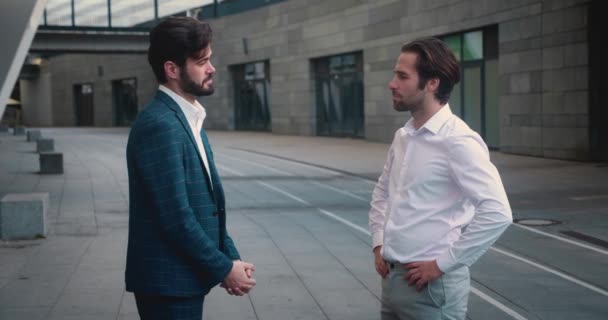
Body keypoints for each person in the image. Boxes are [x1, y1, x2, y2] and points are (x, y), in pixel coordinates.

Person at [368, 37, 512, 320]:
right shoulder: (403, 136)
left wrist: (443, 265)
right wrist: (378, 243)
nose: (392, 84)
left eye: (402, 76)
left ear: (431, 83)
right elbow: (382, 194)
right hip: (392, 280)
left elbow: (498, 212)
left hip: (432, 290)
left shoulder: (458, 141)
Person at [125, 17, 256, 320]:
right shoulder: (160, 125)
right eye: (201, 61)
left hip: (181, 280)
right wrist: (225, 268)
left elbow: (206, 208)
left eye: (210, 58)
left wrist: (231, 257)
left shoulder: (188, 118)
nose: (211, 68)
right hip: (167, 285)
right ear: (172, 69)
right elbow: (176, 218)